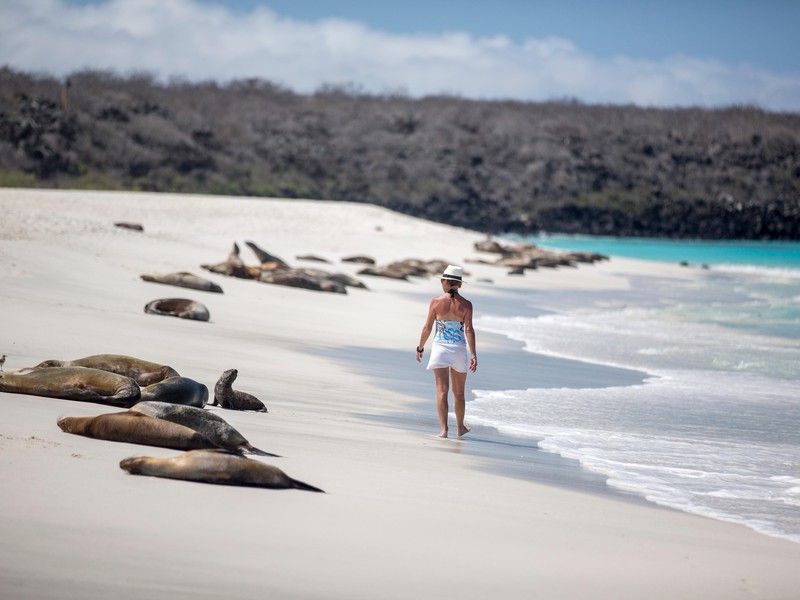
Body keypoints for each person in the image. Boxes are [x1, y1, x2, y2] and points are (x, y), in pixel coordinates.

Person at [415, 265, 477, 438]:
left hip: (440, 349)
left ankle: (443, 430)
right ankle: (460, 428)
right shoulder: (466, 305)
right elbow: (469, 330)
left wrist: (420, 347)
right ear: (459, 284)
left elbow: (427, 327)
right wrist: (473, 354)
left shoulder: (436, 302)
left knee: (442, 391)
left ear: (445, 281)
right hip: (458, 351)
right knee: (459, 393)